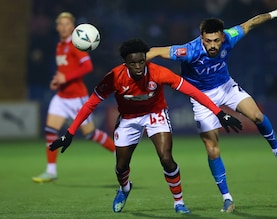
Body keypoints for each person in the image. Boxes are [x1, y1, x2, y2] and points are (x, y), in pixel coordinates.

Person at [48, 39, 242, 214]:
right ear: (126, 63)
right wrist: (70, 132)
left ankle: (179, 203)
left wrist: (219, 113)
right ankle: (124, 189)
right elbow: (90, 103)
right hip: (129, 119)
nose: (139, 66)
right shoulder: (114, 77)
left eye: (142, 61)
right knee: (121, 165)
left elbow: (192, 91)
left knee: (166, 158)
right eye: (133, 63)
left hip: (155, 114)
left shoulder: (158, 72)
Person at [146, 4, 277, 212]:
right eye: (208, 41)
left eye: (216, 40)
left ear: (222, 37)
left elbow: (250, 24)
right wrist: (133, 63)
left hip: (226, 87)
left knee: (257, 115)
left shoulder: (230, 36)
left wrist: (275, 14)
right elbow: (155, 51)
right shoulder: (189, 50)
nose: (213, 45)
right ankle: (227, 198)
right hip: (200, 98)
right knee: (212, 149)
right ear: (201, 37)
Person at [32, 12, 115, 183]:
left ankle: (118, 152)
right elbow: (66, 70)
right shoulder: (59, 46)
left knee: (90, 134)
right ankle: (51, 171)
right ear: (57, 27)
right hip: (61, 97)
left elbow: (87, 66)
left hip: (77, 98)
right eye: (60, 24)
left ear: (73, 27)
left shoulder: (76, 45)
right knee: (50, 130)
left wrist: (66, 78)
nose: (63, 27)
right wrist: (58, 80)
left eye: (66, 24)